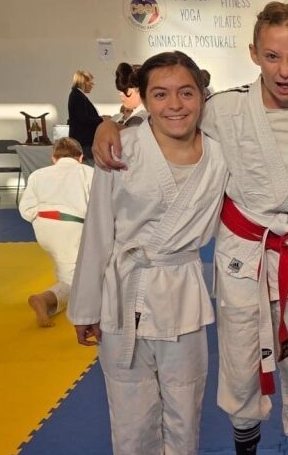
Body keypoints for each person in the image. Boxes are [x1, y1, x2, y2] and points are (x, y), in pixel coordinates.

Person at [91, 3, 288, 454]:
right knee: (240, 365)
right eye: (272, 56)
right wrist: (112, 123)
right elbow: (172, 119)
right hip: (242, 255)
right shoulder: (225, 108)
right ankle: (245, 444)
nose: (285, 70)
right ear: (253, 53)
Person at [68, 51, 227, 455]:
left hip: (183, 295)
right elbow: (98, 230)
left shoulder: (221, 156)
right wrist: (85, 307)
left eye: (186, 93)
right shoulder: (121, 147)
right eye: (160, 94)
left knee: (185, 411)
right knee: (130, 415)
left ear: (203, 96)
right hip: (124, 294)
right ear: (144, 98)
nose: (174, 104)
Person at [18, 137, 94, 328]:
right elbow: (98, 206)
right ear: (80, 157)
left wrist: (43, 218)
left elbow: (26, 209)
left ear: (53, 158)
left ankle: (50, 301)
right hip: (72, 227)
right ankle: (45, 299)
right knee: (78, 281)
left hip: (44, 227)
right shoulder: (87, 172)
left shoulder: (37, 175)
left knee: (68, 270)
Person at [68, 70, 103, 163]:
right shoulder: (78, 96)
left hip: (83, 141)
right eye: (91, 82)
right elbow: (83, 119)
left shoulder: (77, 95)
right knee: (87, 167)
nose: (92, 85)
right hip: (83, 142)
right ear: (84, 82)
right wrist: (101, 119)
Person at [112, 63, 145, 127]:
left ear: (139, 90)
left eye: (126, 90)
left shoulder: (138, 119)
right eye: (121, 91)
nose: (121, 94)